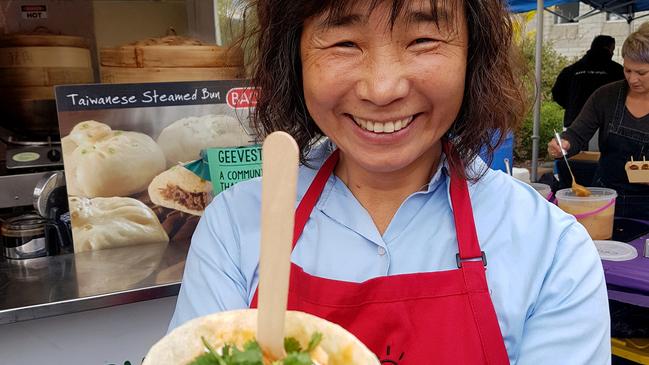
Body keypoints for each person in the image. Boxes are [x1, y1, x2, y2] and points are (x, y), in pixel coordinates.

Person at [171, 0, 610, 363]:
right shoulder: (234, 227)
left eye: (423, 40)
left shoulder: (551, 249)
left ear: (472, 55)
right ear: (294, 56)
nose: (382, 89)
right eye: (344, 42)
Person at [549, 22, 649, 220]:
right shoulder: (606, 96)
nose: (632, 79)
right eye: (627, 70)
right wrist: (565, 144)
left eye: (641, 73)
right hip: (605, 200)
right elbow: (576, 134)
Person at [552, 34, 625, 128]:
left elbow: (556, 93)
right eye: (613, 49)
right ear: (608, 48)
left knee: (571, 142)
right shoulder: (617, 71)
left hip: (574, 121)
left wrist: (572, 105)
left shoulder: (571, 70)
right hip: (606, 123)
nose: (613, 53)